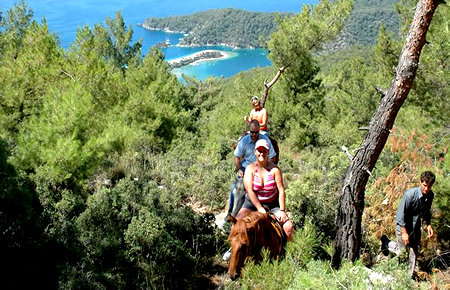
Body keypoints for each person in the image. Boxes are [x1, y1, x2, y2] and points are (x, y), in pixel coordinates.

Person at [223, 139, 292, 261]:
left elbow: (281, 190)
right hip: (252, 204)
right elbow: (250, 191)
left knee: (288, 227)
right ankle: (232, 250)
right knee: (238, 223)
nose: (261, 153)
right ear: (255, 152)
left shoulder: (275, 170)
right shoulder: (250, 169)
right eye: (259, 151)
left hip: (272, 204)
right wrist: (260, 208)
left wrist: (282, 210)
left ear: (268, 152)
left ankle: (288, 254)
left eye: (264, 151)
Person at [381, 171, 436, 277]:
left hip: (415, 227)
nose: (426, 189)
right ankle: (386, 242)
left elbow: (426, 211)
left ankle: (408, 277)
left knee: (414, 250)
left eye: (429, 186)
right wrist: (404, 232)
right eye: (424, 185)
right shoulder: (410, 195)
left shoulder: (430, 195)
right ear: (420, 182)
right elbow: (400, 215)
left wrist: (428, 224)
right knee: (402, 251)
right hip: (403, 225)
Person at [227, 120, 276, 218]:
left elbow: (273, 156)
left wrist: (267, 166)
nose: (253, 135)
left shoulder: (265, 140)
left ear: (259, 131)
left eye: (256, 132)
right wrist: (239, 169)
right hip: (246, 168)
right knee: (235, 187)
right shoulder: (244, 141)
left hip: (262, 168)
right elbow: (237, 156)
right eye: (252, 132)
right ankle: (230, 213)